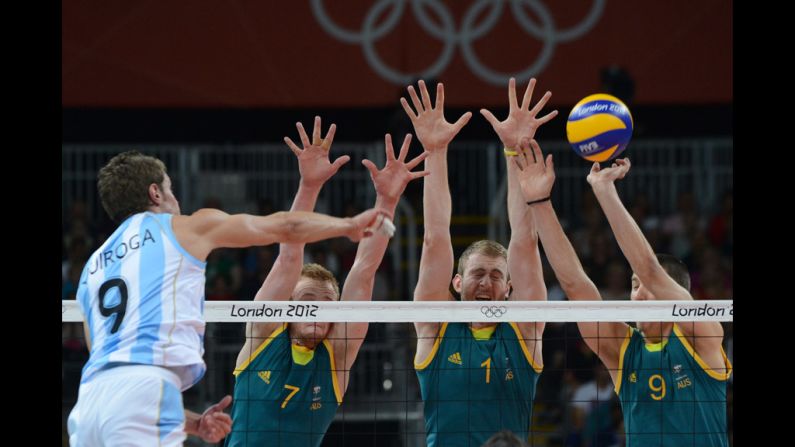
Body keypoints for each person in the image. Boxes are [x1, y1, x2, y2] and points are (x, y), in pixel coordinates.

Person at [67, 147, 391, 446]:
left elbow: (115, 372)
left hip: (90, 402)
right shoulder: (185, 227)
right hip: (146, 389)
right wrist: (346, 225)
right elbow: (283, 228)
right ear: (155, 192)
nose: (176, 201)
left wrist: (194, 425)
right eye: (170, 189)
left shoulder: (92, 269)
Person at [512, 138, 732, 446]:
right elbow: (576, 286)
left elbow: (650, 270)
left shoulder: (702, 334)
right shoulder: (623, 348)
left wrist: (605, 190)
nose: (638, 295)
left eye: (646, 289)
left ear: (678, 295)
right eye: (632, 286)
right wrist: (539, 203)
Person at [225, 117, 428, 446]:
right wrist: (309, 186)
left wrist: (387, 201)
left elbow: (363, 270)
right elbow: (290, 256)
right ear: (289, 307)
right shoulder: (263, 333)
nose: (316, 310)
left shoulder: (336, 356)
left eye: (326, 304)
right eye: (307, 300)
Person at [402, 78, 555, 446]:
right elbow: (435, 237)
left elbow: (524, 242)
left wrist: (515, 150)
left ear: (509, 288)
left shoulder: (525, 331)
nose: (486, 283)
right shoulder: (435, 327)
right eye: (477, 274)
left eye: (495, 275)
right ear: (457, 283)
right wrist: (435, 152)